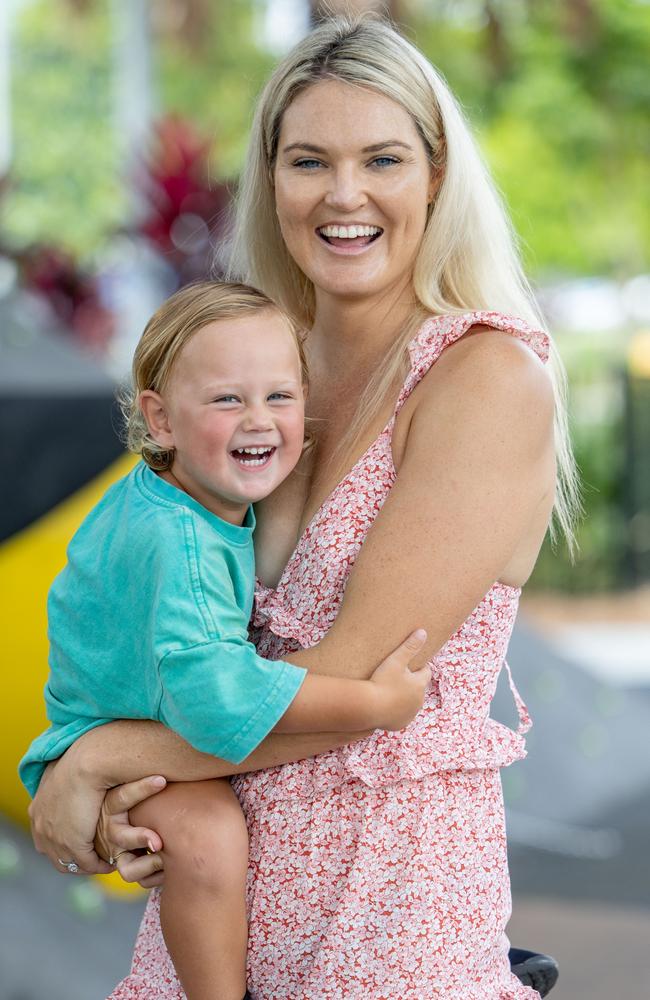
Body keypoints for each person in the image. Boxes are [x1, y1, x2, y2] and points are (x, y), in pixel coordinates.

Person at [28, 14, 576, 999]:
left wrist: (97, 759)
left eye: (381, 158)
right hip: (213, 924)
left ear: (435, 173)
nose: (343, 193)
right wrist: (117, 770)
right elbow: (168, 619)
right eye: (307, 160)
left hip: (386, 925)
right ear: (269, 178)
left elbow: (350, 683)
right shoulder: (259, 375)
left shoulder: (482, 379)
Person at [20, 280, 430, 1000]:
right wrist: (370, 702)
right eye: (226, 400)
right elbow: (217, 701)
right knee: (208, 840)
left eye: (280, 397)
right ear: (161, 418)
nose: (260, 421)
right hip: (116, 732)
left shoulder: (174, 495)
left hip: (123, 713)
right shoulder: (181, 541)